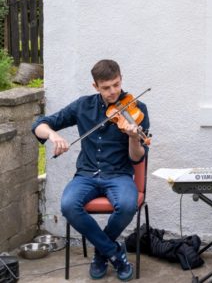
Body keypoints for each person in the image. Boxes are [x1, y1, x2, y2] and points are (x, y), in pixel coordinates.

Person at [32, 59, 149, 281]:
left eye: (116, 84)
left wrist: (134, 138)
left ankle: (100, 252)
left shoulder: (137, 110)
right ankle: (113, 252)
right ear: (95, 87)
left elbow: (137, 158)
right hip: (86, 175)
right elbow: (40, 124)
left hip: (119, 175)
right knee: (68, 205)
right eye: (106, 88)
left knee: (126, 205)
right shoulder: (83, 106)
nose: (113, 91)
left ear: (121, 79)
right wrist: (53, 134)